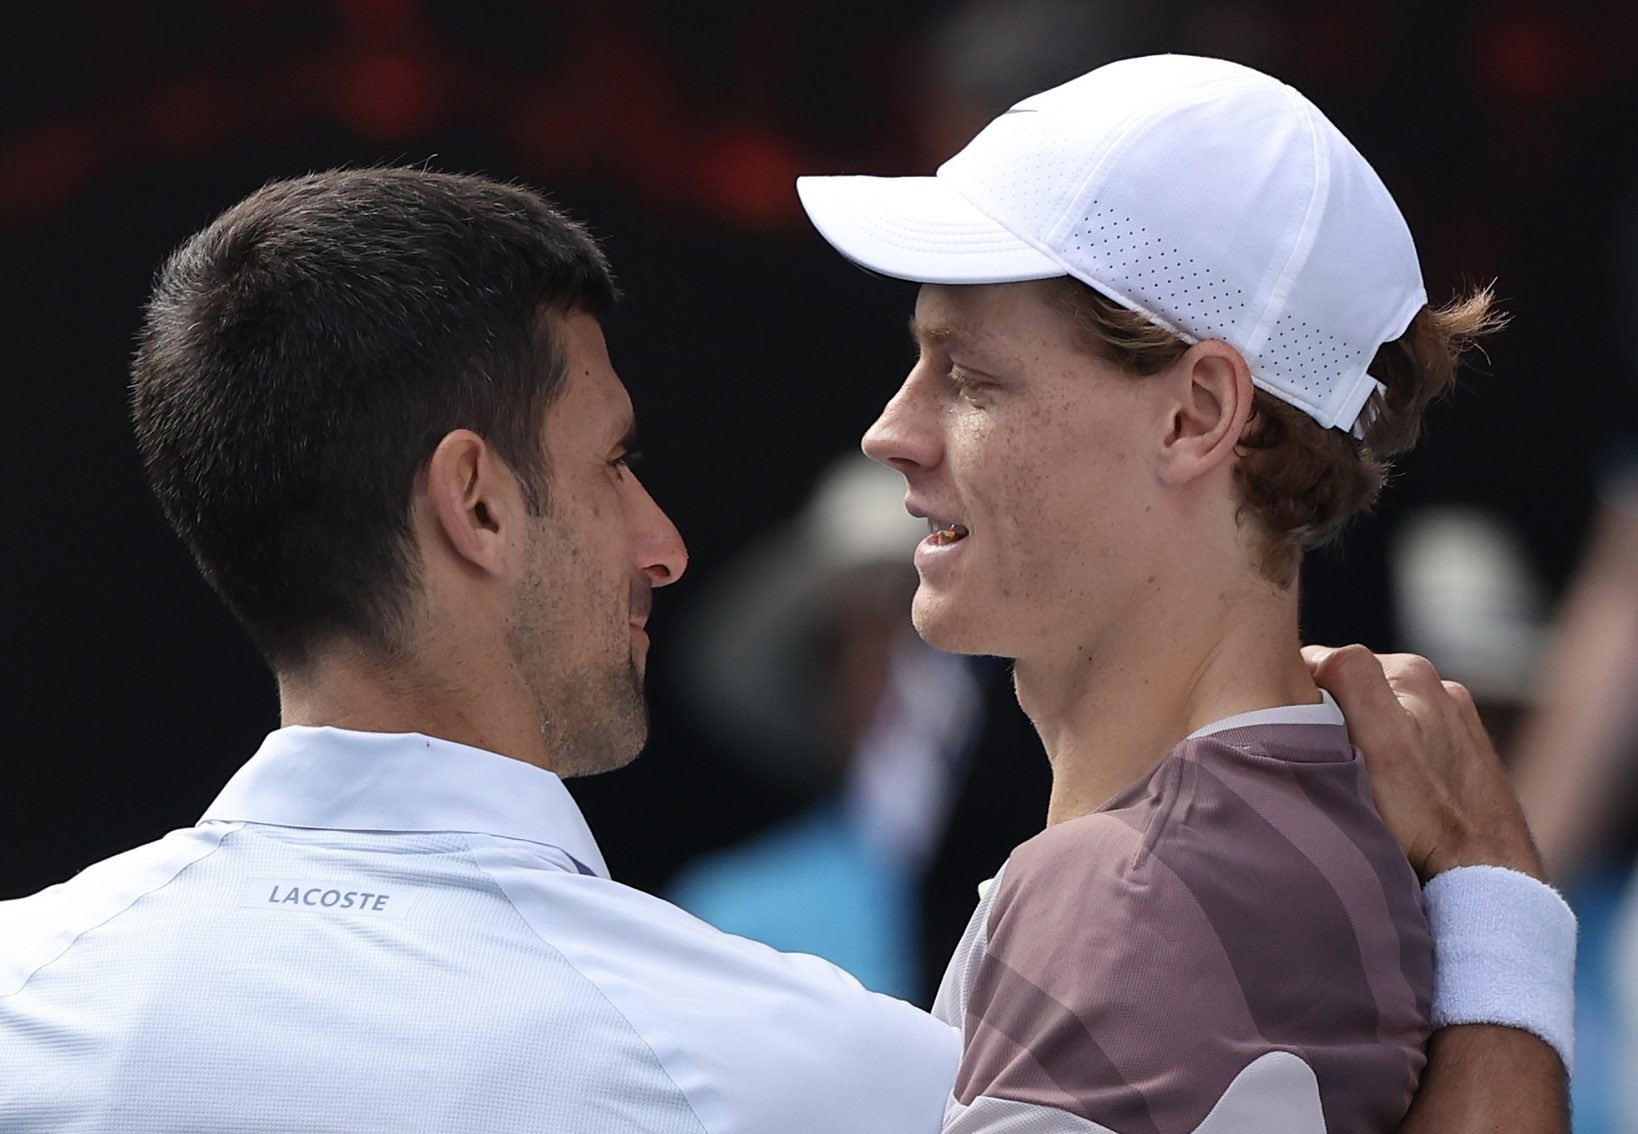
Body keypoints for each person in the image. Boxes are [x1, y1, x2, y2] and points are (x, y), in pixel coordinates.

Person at [0, 165, 1565, 1134]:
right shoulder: (816, 1071)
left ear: (1200, 415)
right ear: (474, 502)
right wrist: (1501, 933)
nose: (666, 538)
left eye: (968, 375)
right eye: (617, 462)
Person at [796, 53, 1575, 1133]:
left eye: (970, 376)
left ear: (1198, 414)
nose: (893, 432)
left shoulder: (1121, 893)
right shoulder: (1306, 836)